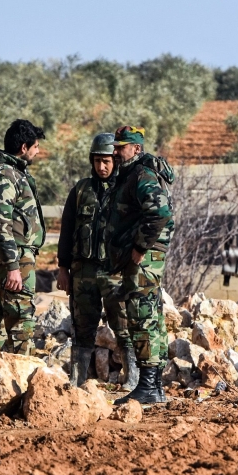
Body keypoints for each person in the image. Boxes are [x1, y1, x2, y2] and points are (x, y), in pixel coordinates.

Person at [102, 125, 175, 404]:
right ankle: (153, 387)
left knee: (142, 317)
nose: (117, 151)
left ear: (137, 149)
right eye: (116, 146)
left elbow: (159, 213)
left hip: (144, 258)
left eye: (122, 147)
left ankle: (148, 385)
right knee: (151, 316)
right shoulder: (131, 173)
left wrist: (139, 247)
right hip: (144, 258)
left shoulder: (141, 175)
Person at [56, 133, 135, 388]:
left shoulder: (125, 189)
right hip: (84, 274)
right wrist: (62, 268)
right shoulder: (80, 191)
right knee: (82, 330)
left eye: (107, 161)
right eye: (98, 161)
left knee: (124, 329)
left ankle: (132, 382)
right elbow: (66, 231)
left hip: (115, 273)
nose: (102, 167)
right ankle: (77, 384)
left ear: (116, 160)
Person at [0, 119, 46, 355]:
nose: (38, 151)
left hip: (10, 256)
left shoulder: (7, 172)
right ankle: (23, 380)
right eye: (35, 147)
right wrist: (13, 265)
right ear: (24, 147)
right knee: (21, 319)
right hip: (13, 258)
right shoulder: (3, 175)